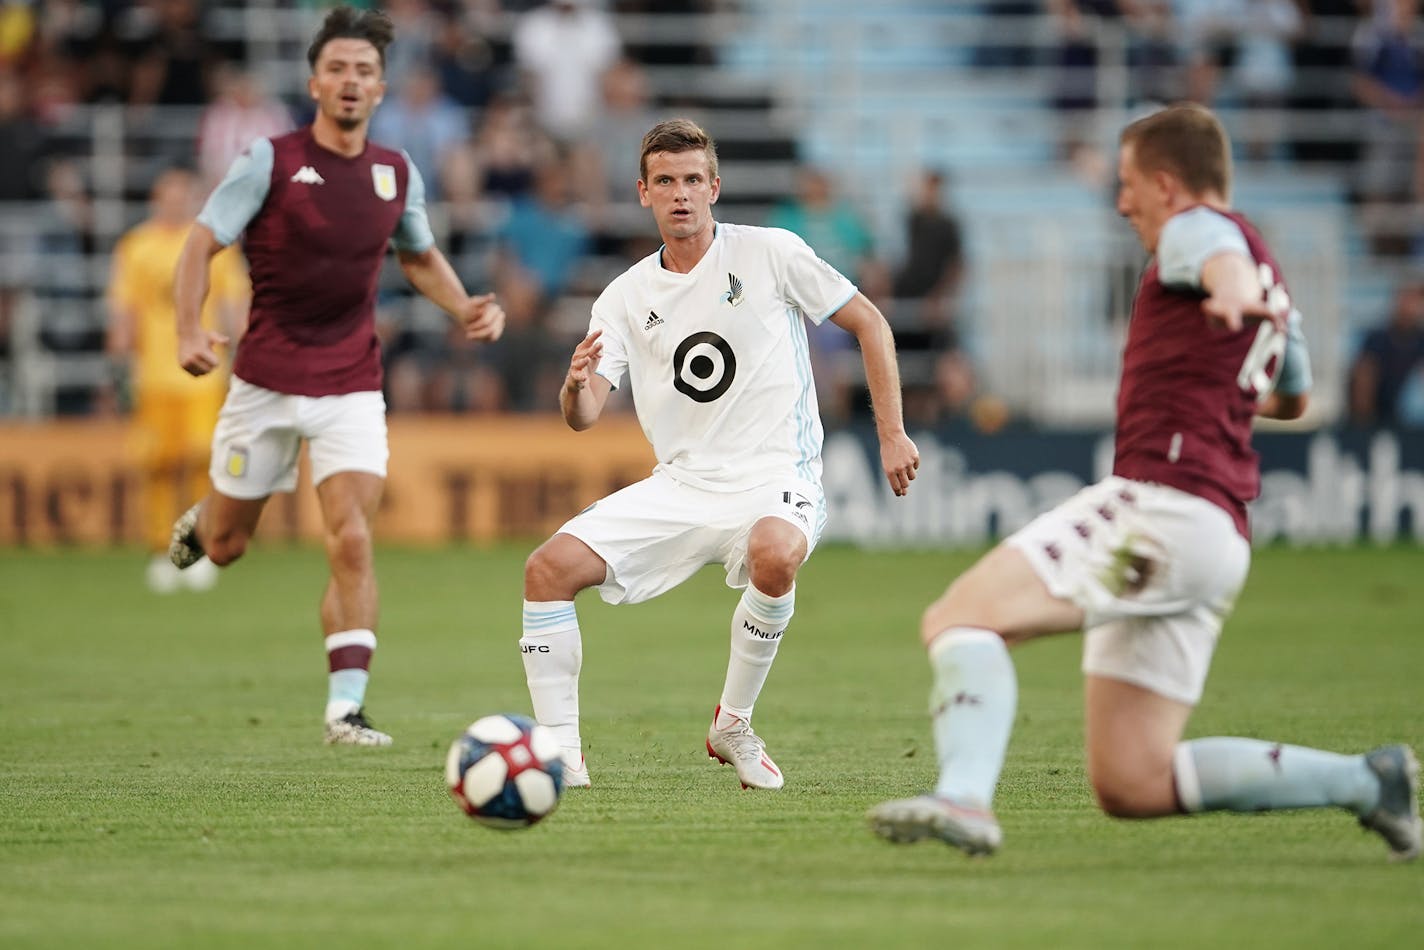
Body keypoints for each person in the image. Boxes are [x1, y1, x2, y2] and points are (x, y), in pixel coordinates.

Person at [868, 103, 1420, 861]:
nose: (1122, 203)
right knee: (1133, 781)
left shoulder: (1200, 233)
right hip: (1217, 536)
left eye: (1128, 185)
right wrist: (1231, 329)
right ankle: (1369, 782)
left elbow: (1213, 246)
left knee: (961, 618)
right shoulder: (1273, 280)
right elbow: (1293, 394)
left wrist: (1224, 287)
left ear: (1167, 183)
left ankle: (963, 797)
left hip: (1162, 505)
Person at [519, 118, 920, 790]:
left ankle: (732, 722)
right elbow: (585, 416)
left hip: (775, 475)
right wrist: (572, 388)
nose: (682, 194)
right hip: (681, 483)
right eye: (667, 182)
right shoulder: (623, 296)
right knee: (546, 570)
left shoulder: (770, 253)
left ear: (715, 187)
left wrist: (892, 432)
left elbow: (870, 323)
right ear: (643, 192)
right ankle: (562, 757)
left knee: (775, 553)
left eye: (694, 180)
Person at [166, 6, 506, 747]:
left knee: (351, 537)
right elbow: (199, 245)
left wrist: (464, 307)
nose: (352, 82)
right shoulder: (270, 160)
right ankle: (207, 518)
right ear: (315, 82)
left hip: (352, 383)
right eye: (339, 69)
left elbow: (417, 254)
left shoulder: (395, 173)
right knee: (225, 547)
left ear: (381, 89)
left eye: (365, 72)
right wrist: (190, 329)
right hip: (263, 383)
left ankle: (344, 710)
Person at [106, 167, 248, 593]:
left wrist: (245, 354)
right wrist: (119, 356)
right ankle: (159, 549)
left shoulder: (213, 245)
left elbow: (234, 305)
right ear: (156, 197)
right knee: (158, 464)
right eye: (168, 194)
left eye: (183, 194)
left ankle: (197, 545)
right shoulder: (137, 246)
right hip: (153, 375)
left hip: (204, 373)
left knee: (203, 459)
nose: (175, 202)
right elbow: (125, 308)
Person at [1348, 277, 1424, 428]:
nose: (1410, 306)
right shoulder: (1377, 338)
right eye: (1406, 298)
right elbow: (1363, 376)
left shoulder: (1421, 339)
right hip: (1380, 413)